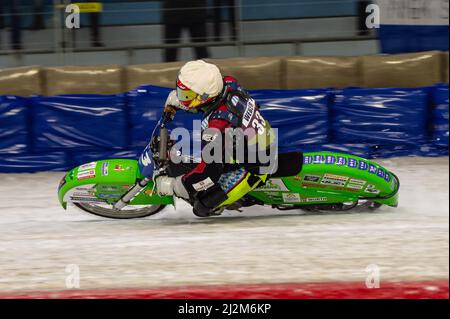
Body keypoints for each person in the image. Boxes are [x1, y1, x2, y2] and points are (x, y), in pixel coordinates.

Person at [155, 60, 274, 217]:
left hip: (254, 166)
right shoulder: (229, 84)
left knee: (202, 207)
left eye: (187, 95)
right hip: (253, 140)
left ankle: (229, 200)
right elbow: (207, 101)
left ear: (205, 96)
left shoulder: (217, 126)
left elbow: (208, 173)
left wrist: (173, 185)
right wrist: (178, 101)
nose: (182, 97)